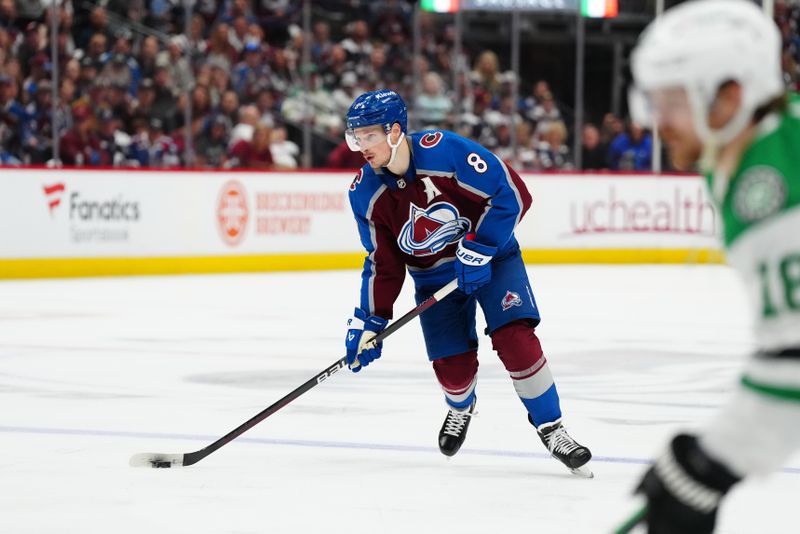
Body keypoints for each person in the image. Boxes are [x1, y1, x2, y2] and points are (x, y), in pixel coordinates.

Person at [342, 89, 592, 475]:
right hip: (432, 279)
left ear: (394, 132)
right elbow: (382, 263)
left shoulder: (446, 152)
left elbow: (513, 194)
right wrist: (369, 320)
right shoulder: (365, 194)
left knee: (515, 339)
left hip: (492, 260)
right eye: (355, 137)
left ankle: (552, 427)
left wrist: (483, 247)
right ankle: (461, 406)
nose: (361, 146)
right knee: (453, 371)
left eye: (368, 136)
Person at [625, 1, 800, 532]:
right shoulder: (759, 145)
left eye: (673, 101)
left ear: (729, 97)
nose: (659, 121)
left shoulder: (768, 186)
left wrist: (710, 465)